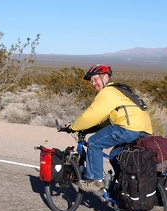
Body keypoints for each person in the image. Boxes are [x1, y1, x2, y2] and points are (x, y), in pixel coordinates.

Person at [66, 64, 153, 193]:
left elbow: (92, 114)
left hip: (128, 128)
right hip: (143, 130)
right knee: (115, 156)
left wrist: (74, 127)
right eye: (91, 81)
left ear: (106, 77)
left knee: (94, 143)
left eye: (95, 79)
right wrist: (93, 128)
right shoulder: (120, 92)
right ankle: (126, 187)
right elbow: (112, 119)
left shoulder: (108, 92)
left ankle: (95, 181)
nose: (93, 83)